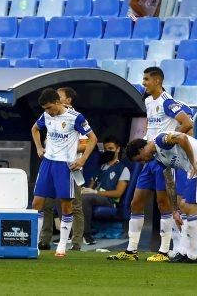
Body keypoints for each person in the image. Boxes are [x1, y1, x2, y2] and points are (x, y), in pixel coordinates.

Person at [108, 66, 193, 262]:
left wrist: (168, 141)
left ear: (157, 81)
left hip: (164, 159)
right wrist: (146, 141)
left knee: (163, 204)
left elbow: (187, 124)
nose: (143, 82)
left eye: (146, 79)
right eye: (143, 79)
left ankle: (163, 252)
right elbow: (150, 127)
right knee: (135, 202)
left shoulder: (167, 102)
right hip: (149, 159)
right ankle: (131, 251)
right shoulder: (147, 101)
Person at [126, 131, 197, 263]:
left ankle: (192, 255)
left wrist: (193, 161)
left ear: (141, 149)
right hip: (193, 170)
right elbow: (169, 182)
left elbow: (182, 138)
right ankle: (183, 251)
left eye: (140, 158)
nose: (143, 162)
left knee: (189, 206)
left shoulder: (160, 141)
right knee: (182, 206)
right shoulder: (159, 158)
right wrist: (174, 210)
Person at [31, 88, 98, 258]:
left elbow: (93, 139)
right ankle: (34, 244)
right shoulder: (46, 115)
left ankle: (62, 245)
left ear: (57, 102)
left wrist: (82, 160)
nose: (47, 112)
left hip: (65, 165)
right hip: (47, 163)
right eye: (44, 109)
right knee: (37, 203)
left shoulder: (75, 117)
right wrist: (39, 147)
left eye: (48, 108)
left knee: (66, 205)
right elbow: (35, 129)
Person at [39, 87, 87, 251]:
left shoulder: (76, 118)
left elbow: (87, 142)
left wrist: (74, 152)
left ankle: (76, 242)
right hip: (51, 162)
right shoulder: (50, 114)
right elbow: (42, 133)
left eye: (59, 96)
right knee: (45, 203)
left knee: (73, 205)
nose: (56, 98)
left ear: (67, 100)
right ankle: (43, 240)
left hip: (70, 166)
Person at [81, 136, 129, 244]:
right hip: (95, 197)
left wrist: (96, 192)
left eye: (111, 149)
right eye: (106, 149)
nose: (108, 151)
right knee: (75, 195)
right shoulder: (101, 167)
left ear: (118, 149)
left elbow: (118, 193)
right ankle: (72, 232)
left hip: (110, 201)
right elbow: (90, 187)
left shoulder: (123, 169)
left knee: (85, 199)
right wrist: (85, 190)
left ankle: (87, 235)